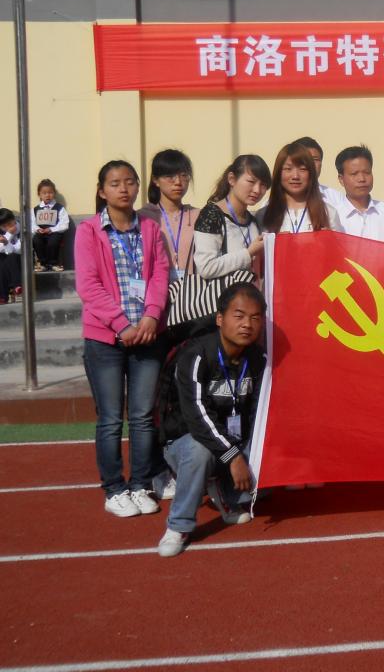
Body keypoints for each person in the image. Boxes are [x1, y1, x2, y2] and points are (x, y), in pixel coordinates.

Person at [75, 161, 170, 517]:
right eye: (115, 183)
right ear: (102, 191)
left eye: (130, 182)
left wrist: (151, 316)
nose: (124, 189)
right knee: (111, 418)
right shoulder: (88, 231)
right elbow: (88, 285)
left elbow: (160, 274)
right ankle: (114, 489)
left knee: (143, 416)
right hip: (105, 340)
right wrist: (120, 324)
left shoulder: (149, 228)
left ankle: (141, 484)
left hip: (147, 334)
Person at [156, 282, 267, 557]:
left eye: (255, 318)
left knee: (269, 448)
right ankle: (179, 525)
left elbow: (260, 412)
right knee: (200, 451)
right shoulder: (195, 355)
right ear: (220, 319)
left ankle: (226, 491)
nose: (247, 325)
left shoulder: (258, 358)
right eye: (239, 316)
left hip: (232, 440)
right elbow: (197, 417)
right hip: (188, 441)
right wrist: (233, 457)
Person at [193, 155, 272, 280]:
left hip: (249, 291)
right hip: (221, 292)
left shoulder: (252, 220)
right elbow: (206, 268)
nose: (257, 190)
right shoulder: (211, 215)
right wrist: (248, 253)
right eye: (251, 182)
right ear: (232, 179)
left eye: (263, 185)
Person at [139, 150, 199, 282]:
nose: (178, 182)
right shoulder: (143, 218)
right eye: (170, 176)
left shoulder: (198, 216)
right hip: (156, 290)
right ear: (155, 180)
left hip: (192, 291)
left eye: (184, 175)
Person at [257, 142, 342, 234]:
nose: (295, 176)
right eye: (288, 169)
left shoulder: (328, 213)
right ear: (278, 173)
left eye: (302, 169)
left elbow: (340, 242)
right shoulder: (264, 214)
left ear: (311, 173)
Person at [333, 145, 384, 241]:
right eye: (354, 174)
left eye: (367, 172)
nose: (362, 179)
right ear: (341, 179)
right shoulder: (333, 216)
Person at [295, 135, 345, 214]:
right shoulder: (277, 200)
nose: (310, 164)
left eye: (315, 159)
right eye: (304, 159)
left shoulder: (337, 199)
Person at [30, 179, 69, 272]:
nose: (47, 195)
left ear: (54, 193)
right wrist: (37, 229)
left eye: (50, 192)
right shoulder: (35, 209)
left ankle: (53, 263)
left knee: (53, 242)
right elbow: (32, 223)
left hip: (54, 232)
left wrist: (52, 229)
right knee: (36, 240)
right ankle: (43, 264)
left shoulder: (59, 208)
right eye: (44, 193)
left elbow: (64, 223)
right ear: (39, 194)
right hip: (41, 233)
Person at [0, 208, 23, 304]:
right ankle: (7, 293)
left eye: (9, 224)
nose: (8, 228)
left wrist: (6, 241)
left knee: (11, 256)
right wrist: (8, 236)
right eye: (4, 226)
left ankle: (15, 288)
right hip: (5, 260)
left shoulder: (23, 229)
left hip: (21, 259)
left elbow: (19, 249)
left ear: (14, 219)